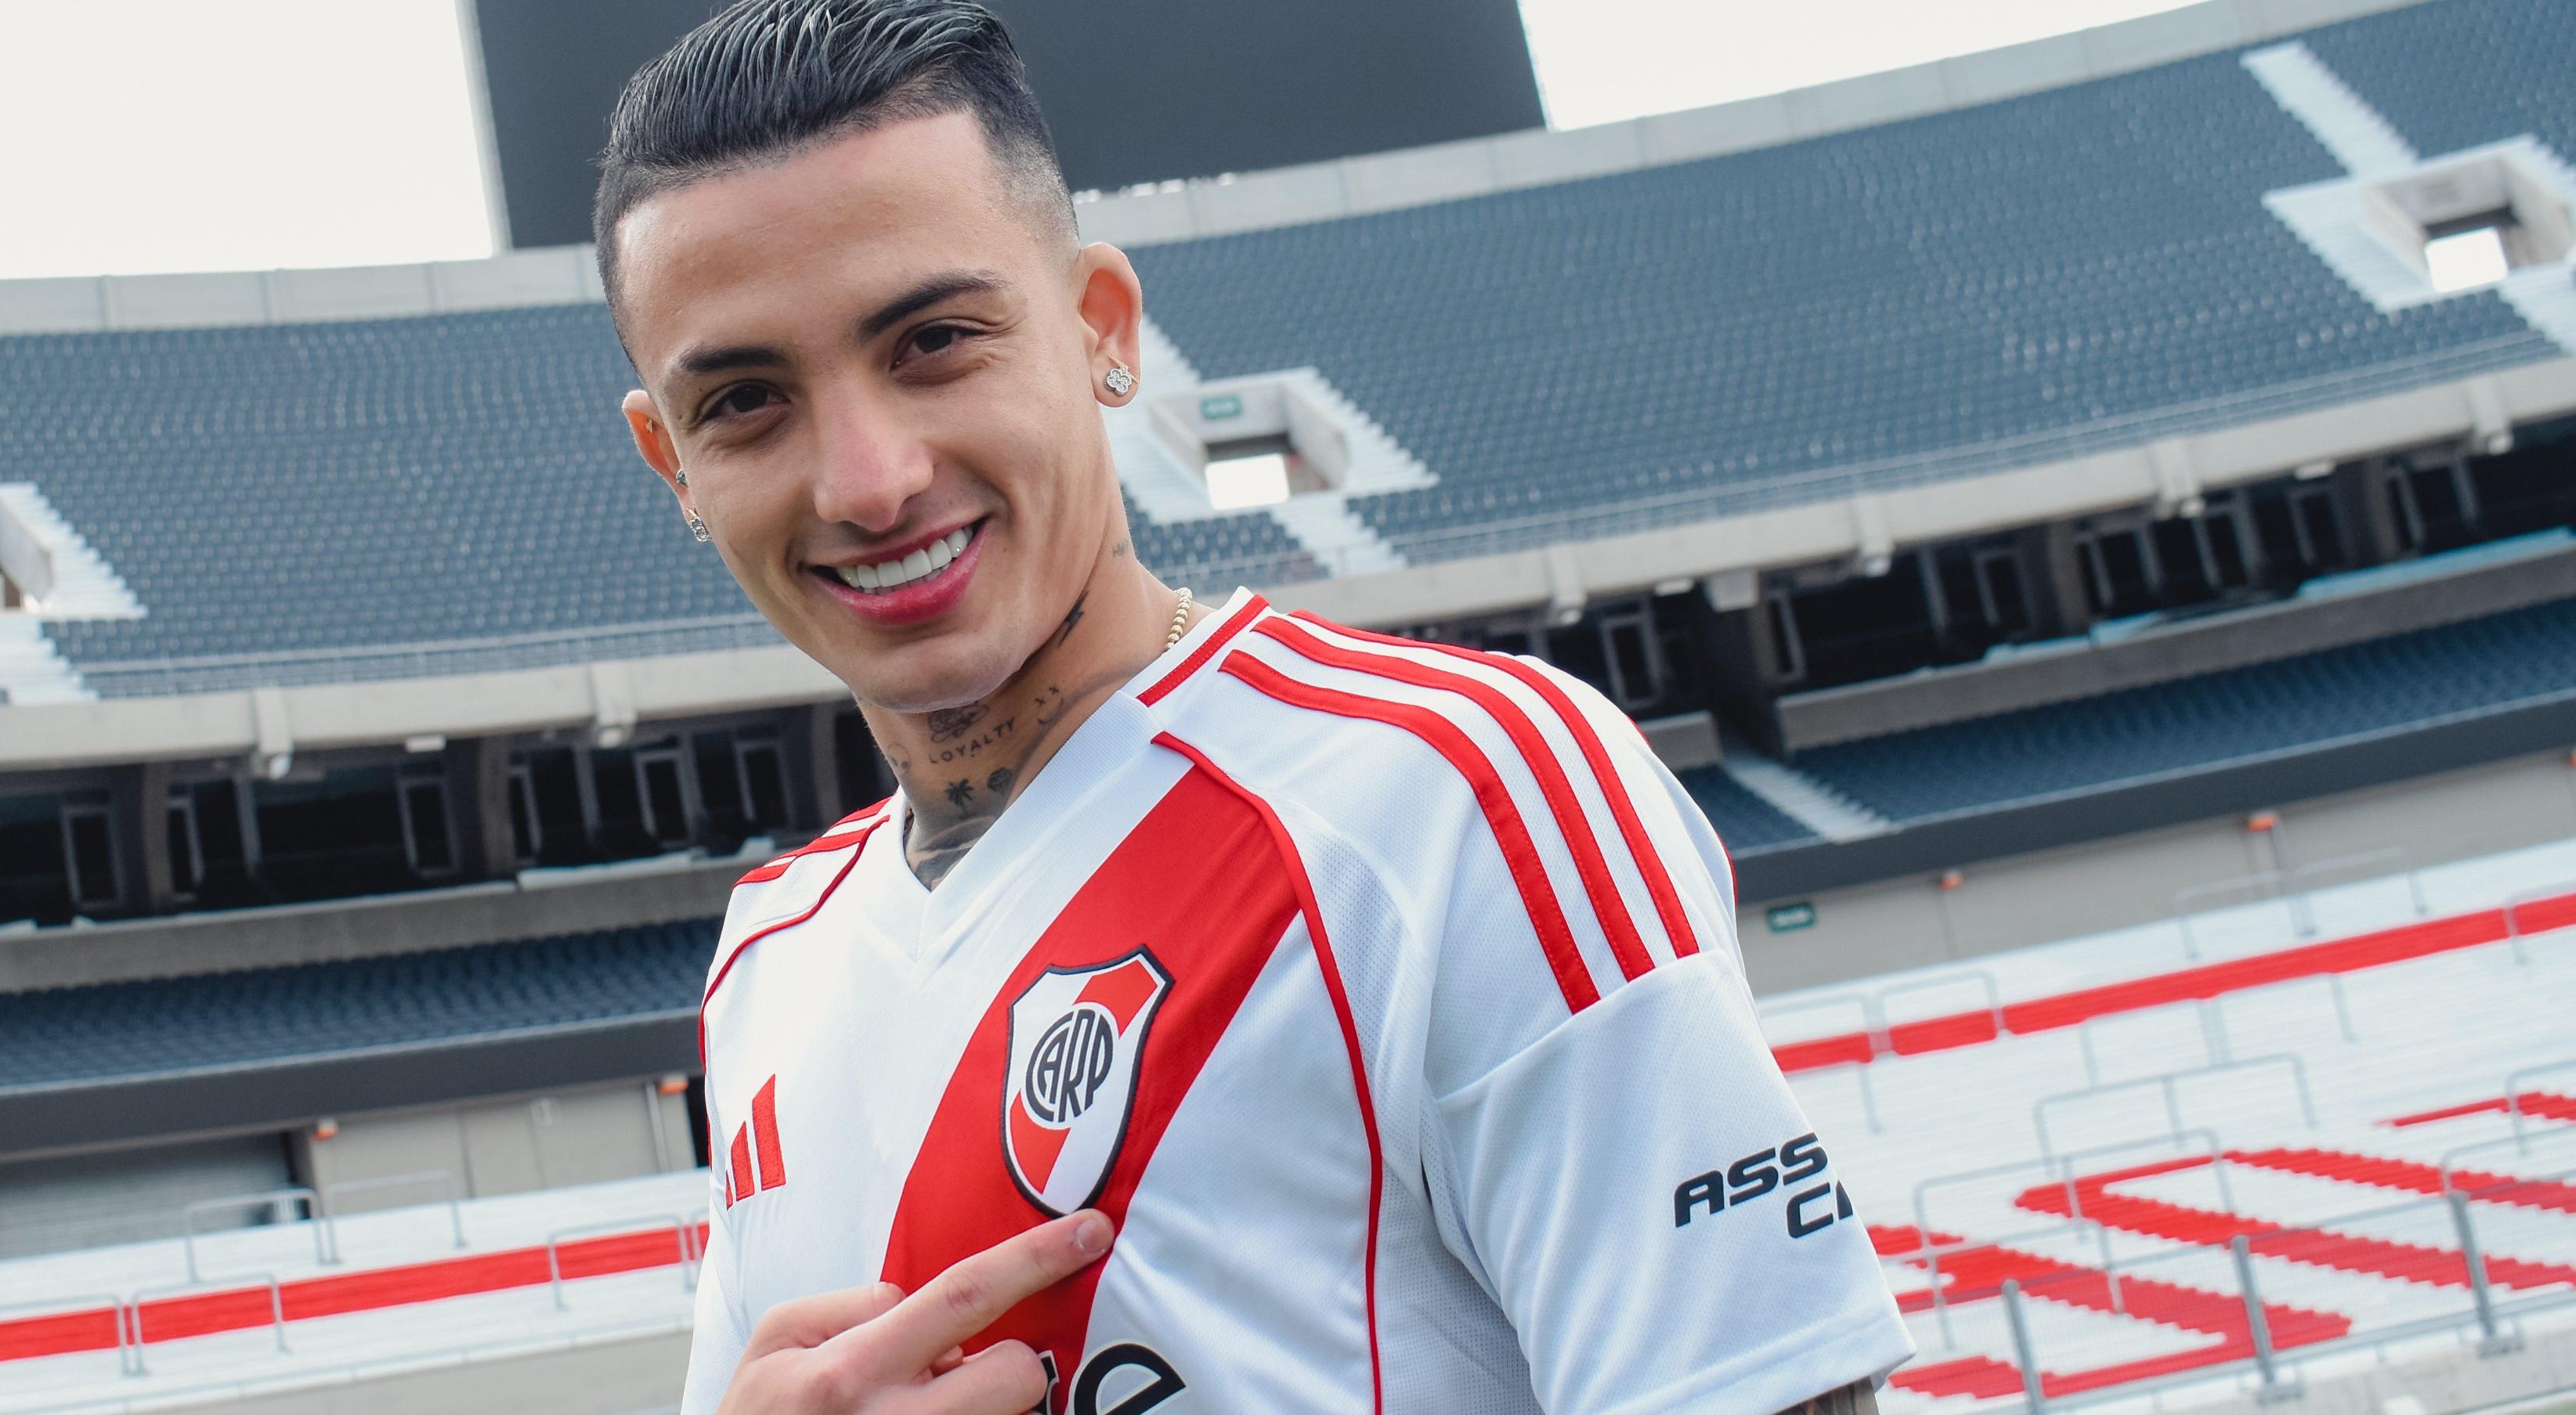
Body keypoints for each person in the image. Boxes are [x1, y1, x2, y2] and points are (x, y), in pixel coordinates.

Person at [596, 2, 1916, 1410]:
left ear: (1103, 329)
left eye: (933, 341)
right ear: (671, 463)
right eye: (745, 401)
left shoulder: (1460, 792)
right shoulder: (765, 964)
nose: (867, 479)